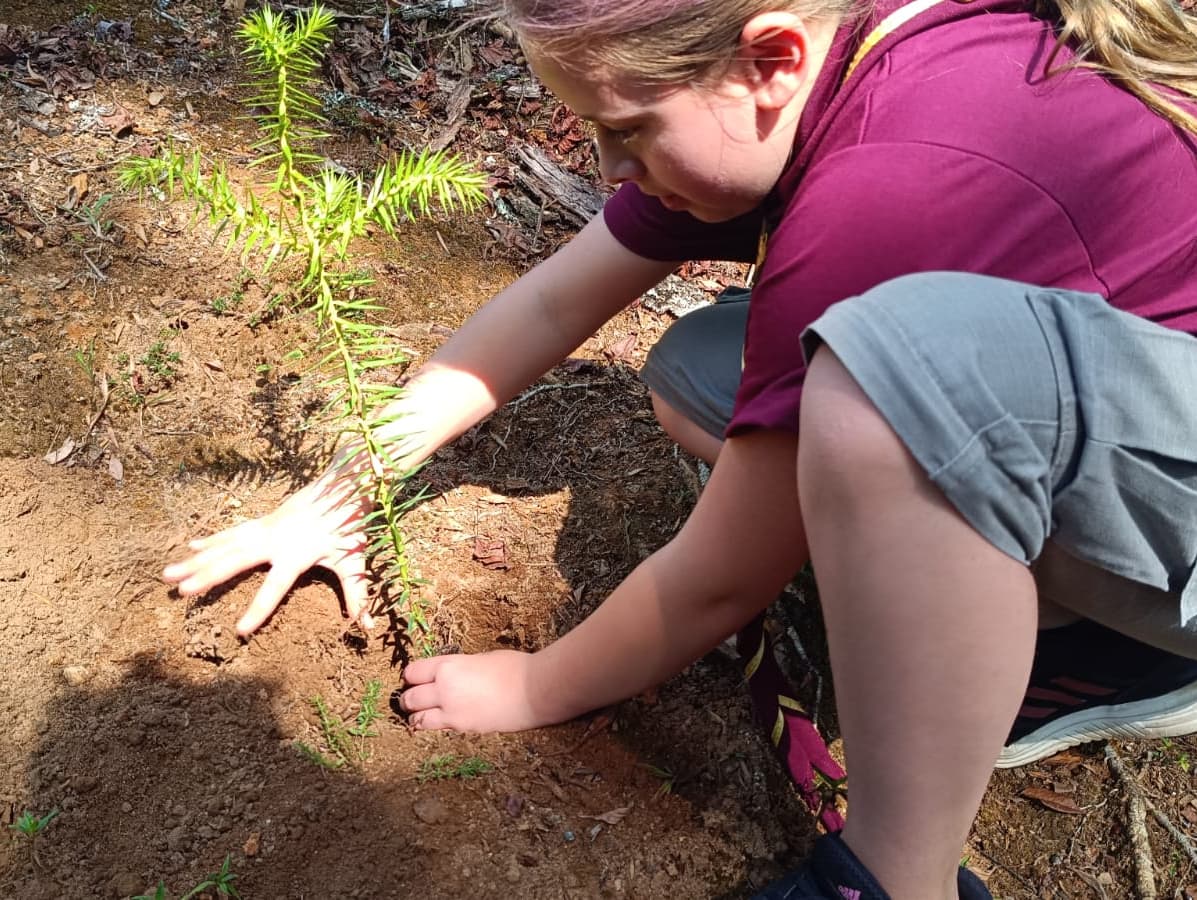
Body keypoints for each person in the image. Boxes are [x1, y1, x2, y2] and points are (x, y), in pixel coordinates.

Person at [164, 0, 1197, 896]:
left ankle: (929, 835)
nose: (608, 169)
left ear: (771, 60)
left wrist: (537, 686)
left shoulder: (889, 184)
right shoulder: (844, 57)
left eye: (627, 131)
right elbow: (555, 298)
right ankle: (1010, 588)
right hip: (1131, 395)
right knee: (706, 370)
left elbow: (715, 582)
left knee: (867, 398)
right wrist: (337, 495)